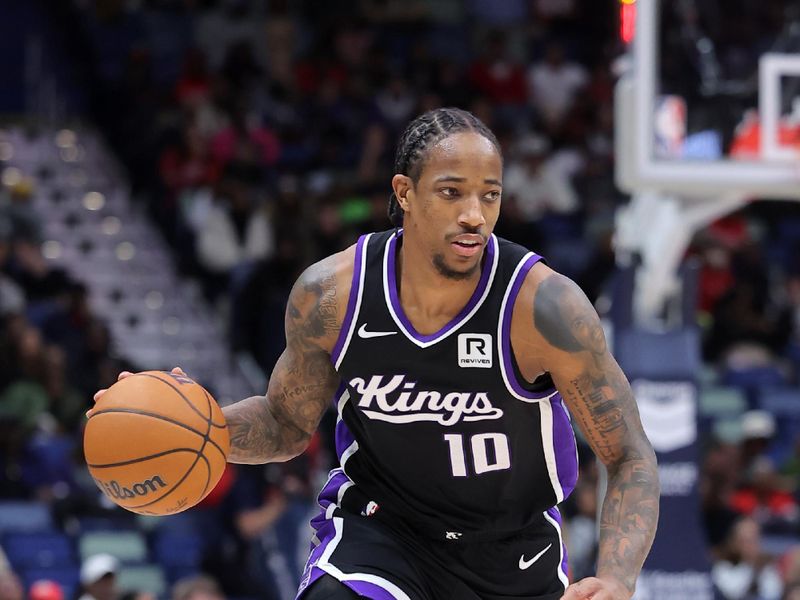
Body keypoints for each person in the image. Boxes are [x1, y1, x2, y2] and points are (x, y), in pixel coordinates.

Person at [94, 108, 659, 599]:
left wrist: (615, 577)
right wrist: (204, 429)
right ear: (404, 193)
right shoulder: (332, 296)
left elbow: (628, 454)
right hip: (384, 532)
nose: (474, 214)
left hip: (512, 549)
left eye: (490, 195)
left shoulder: (544, 308)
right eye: (451, 191)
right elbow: (287, 423)